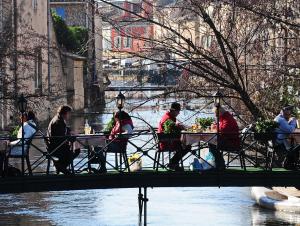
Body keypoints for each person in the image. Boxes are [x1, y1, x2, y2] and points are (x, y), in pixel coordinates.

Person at [47, 105, 80, 175]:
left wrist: (70, 131)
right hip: (57, 148)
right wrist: (71, 139)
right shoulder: (58, 122)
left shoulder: (57, 119)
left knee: (72, 149)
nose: (69, 115)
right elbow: (61, 137)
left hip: (54, 146)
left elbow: (62, 131)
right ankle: (61, 167)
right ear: (65, 113)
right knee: (77, 151)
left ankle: (60, 167)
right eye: (69, 113)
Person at [158, 102, 190, 171]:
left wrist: (178, 126)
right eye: (178, 111)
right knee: (187, 146)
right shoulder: (168, 118)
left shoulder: (168, 116)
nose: (179, 113)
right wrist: (179, 127)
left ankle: (174, 164)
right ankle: (173, 163)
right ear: (174, 111)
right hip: (167, 143)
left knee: (185, 144)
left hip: (167, 140)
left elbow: (172, 129)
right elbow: (171, 128)